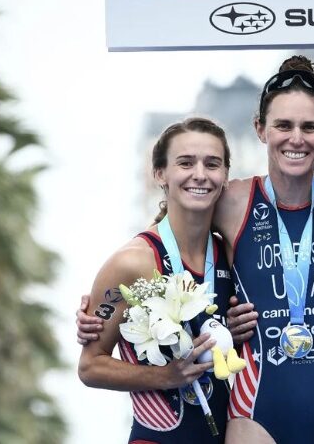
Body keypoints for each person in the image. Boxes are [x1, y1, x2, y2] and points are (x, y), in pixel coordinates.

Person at [78, 56, 314, 444]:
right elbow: (172, 227)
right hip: (250, 413)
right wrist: (101, 303)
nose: (296, 138)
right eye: (283, 124)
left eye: (309, 127)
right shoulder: (230, 203)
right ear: (260, 129)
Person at [78, 117, 235, 443]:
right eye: (186, 162)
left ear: (225, 176)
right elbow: (90, 367)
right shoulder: (133, 262)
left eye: (212, 164)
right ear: (160, 174)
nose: (200, 174)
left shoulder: (231, 254)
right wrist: (164, 376)